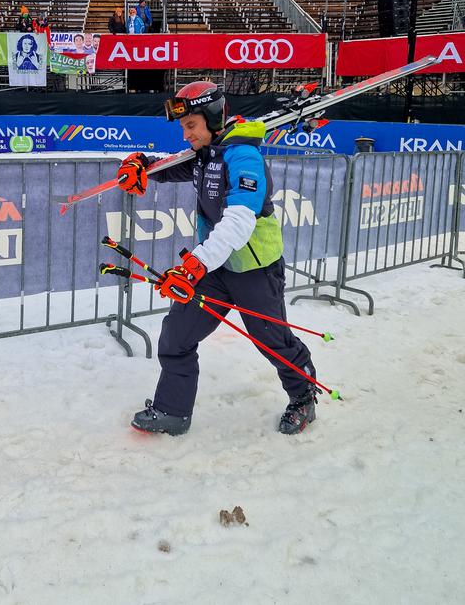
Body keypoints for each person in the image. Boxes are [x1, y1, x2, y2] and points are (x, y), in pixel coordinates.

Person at [116, 81, 318, 437]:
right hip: (216, 268)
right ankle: (172, 411)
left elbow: (239, 220)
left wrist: (195, 264)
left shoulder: (243, 157)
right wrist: (140, 165)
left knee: (272, 340)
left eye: (191, 126)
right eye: (182, 127)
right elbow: (169, 166)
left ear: (211, 118)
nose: (185, 135)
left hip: (255, 269)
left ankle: (303, 396)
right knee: (177, 333)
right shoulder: (205, 154)